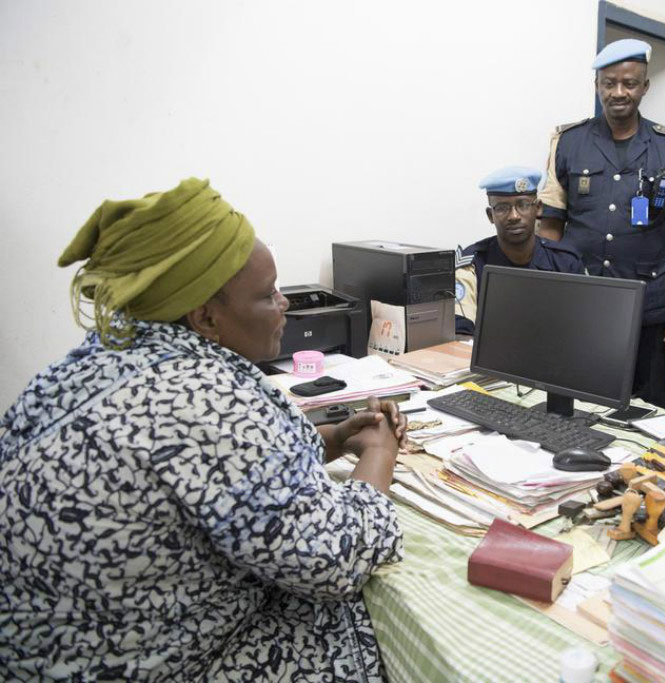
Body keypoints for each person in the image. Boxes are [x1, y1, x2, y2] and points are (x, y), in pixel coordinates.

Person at [0, 178, 407, 681]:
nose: (284, 304)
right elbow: (334, 561)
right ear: (206, 318)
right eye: (267, 295)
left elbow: (207, 474)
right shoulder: (204, 395)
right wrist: (380, 452)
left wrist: (337, 437)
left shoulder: (102, 357)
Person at [537, 39, 665, 407]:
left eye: (628, 83)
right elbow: (551, 226)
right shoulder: (569, 142)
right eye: (609, 83)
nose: (618, 92)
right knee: (577, 400)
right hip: (583, 297)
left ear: (645, 86)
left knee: (646, 406)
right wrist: (547, 294)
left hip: (648, 301)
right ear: (597, 86)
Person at [455, 166, 583, 335]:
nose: (514, 216)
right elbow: (461, 336)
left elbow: (582, 327)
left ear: (538, 208)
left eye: (523, 205)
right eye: (502, 208)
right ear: (490, 215)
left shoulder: (565, 263)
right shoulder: (471, 265)